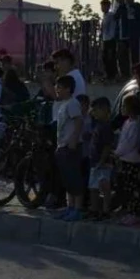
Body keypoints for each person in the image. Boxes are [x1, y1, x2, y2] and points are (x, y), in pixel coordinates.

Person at [52, 75, 84, 220]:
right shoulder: (63, 104)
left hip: (71, 147)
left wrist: (73, 140)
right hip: (62, 146)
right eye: (56, 87)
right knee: (67, 179)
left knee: (74, 178)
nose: (56, 90)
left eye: (60, 87)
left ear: (68, 89)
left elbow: (78, 121)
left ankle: (77, 209)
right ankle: (69, 206)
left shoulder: (72, 103)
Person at [114, 94, 140, 226]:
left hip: (132, 160)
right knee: (126, 187)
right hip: (124, 159)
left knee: (133, 189)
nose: (122, 108)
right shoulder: (127, 122)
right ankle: (127, 211)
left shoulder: (135, 124)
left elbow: (130, 143)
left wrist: (117, 153)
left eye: (124, 106)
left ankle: (134, 214)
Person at [87, 96, 114, 220]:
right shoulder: (96, 124)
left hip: (103, 162)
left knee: (104, 186)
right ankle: (94, 208)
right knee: (93, 187)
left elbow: (107, 146)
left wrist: (102, 160)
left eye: (97, 110)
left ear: (104, 110)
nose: (94, 113)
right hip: (94, 161)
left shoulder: (107, 126)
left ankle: (106, 210)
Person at [100, 0, 118, 82]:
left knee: (110, 57)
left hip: (110, 39)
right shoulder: (105, 16)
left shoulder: (111, 15)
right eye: (102, 6)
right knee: (105, 58)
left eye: (104, 6)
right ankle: (108, 74)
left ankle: (112, 74)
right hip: (105, 39)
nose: (103, 8)